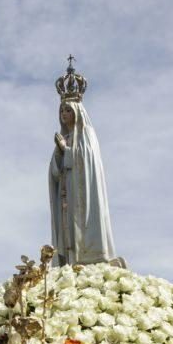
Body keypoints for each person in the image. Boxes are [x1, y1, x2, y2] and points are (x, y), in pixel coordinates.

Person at [48, 91, 120, 267]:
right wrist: (59, 153)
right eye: (62, 111)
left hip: (82, 193)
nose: (64, 114)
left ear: (77, 112)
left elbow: (88, 159)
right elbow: (55, 172)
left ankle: (89, 258)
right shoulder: (64, 137)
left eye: (68, 110)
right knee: (66, 229)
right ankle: (69, 262)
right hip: (65, 193)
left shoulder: (86, 132)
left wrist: (67, 150)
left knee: (81, 227)